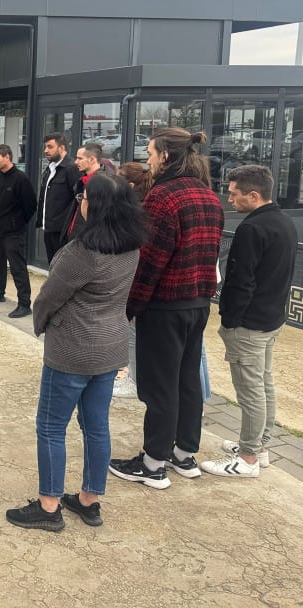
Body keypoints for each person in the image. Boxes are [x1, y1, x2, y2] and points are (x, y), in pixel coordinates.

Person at [6, 173, 145, 532]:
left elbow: (48, 298)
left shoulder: (82, 253)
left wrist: (40, 325)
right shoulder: (131, 247)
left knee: (51, 426)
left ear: (93, 205)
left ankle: (49, 505)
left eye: (83, 197)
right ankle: (89, 500)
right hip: (110, 346)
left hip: (73, 349)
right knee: (96, 425)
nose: (79, 201)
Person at [110, 128, 223, 490]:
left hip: (165, 306)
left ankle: (153, 463)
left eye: (150, 153)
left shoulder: (163, 197)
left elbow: (149, 261)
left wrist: (130, 306)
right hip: (198, 303)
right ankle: (184, 453)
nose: (148, 160)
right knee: (187, 380)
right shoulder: (209, 195)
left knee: (160, 386)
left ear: (166, 156)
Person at [201, 165, 297, 478]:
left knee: (251, 392)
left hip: (250, 324)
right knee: (263, 385)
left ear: (253, 195)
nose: (229, 199)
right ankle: (258, 446)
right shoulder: (284, 222)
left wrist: (230, 320)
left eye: (233, 194)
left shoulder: (251, 229)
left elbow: (241, 281)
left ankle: (248, 458)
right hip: (271, 318)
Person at [0, 144, 36, 318]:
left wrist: (16, 223)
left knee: (18, 268)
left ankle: (24, 303)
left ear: (7, 157)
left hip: (14, 232)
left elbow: (31, 205)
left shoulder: (21, 179)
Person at [112, 162, 153, 399]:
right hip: (134, 277)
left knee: (132, 330)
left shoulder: (137, 212)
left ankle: (132, 379)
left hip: (134, 278)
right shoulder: (139, 209)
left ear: (129, 185)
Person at [35, 133, 79, 263]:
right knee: (52, 265)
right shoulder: (50, 168)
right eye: (45, 147)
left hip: (62, 231)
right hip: (48, 228)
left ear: (62, 148)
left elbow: (78, 199)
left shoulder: (71, 168)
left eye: (50, 147)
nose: (46, 150)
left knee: (62, 267)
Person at [61, 143, 104, 245]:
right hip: (75, 238)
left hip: (86, 242)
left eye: (80, 158)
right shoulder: (83, 180)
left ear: (92, 159)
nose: (76, 162)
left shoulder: (103, 183)